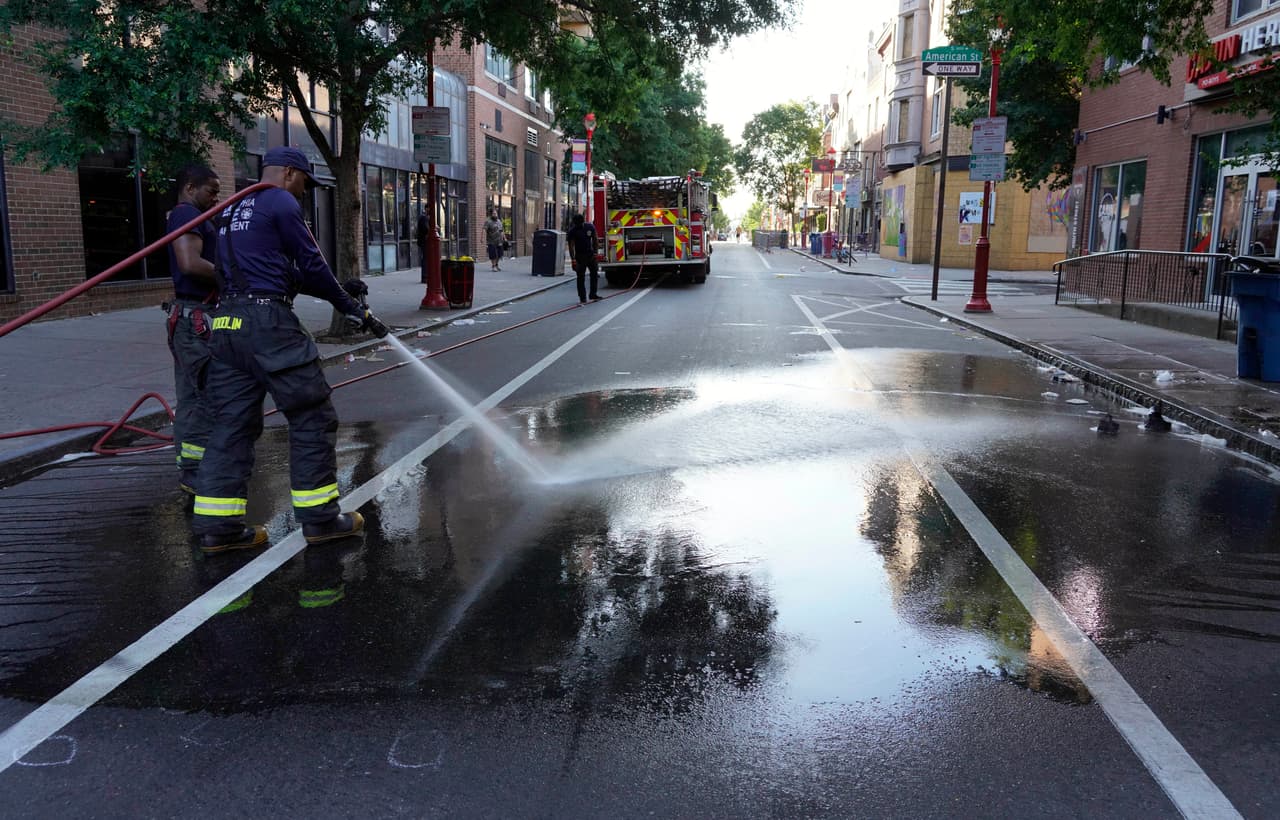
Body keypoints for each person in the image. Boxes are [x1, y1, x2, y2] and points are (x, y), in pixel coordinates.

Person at [192, 146, 389, 555]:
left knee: (231, 425)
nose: (302, 192)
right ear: (287, 173)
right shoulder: (280, 201)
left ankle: (218, 529)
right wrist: (350, 306)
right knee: (310, 415)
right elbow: (312, 264)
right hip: (269, 326)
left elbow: (284, 273)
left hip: (226, 326)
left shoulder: (233, 207)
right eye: (303, 182)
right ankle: (320, 520)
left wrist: (338, 288)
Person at [165, 165, 222, 497]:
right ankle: (197, 471)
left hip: (188, 317)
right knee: (204, 395)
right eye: (210, 190)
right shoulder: (187, 213)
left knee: (191, 396)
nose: (215, 197)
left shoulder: (189, 214)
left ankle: (193, 471)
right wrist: (231, 275)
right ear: (190, 188)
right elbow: (189, 263)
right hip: (195, 320)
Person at [566, 212, 600, 304]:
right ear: (574, 223)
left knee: (594, 275)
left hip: (591, 255)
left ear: (583, 222)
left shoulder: (590, 227)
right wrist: (573, 259)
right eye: (577, 224)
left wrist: (596, 253)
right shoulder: (572, 231)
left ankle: (593, 294)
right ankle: (582, 297)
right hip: (580, 257)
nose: (578, 226)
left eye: (580, 224)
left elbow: (595, 239)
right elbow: (571, 246)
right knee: (580, 277)